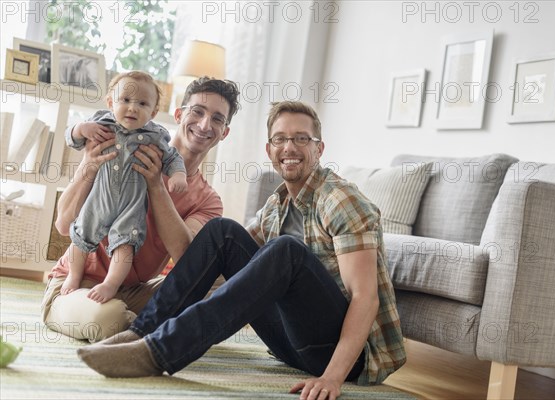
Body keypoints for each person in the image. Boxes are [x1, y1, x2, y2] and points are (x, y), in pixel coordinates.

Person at [77, 101, 407, 399]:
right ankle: (141, 332)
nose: (289, 147)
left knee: (285, 250)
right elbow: (231, 264)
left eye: (301, 139)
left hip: (347, 358)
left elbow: (365, 298)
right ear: (269, 149)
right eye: (280, 139)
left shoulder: (341, 200)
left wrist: (333, 378)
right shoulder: (278, 203)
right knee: (222, 231)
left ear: (319, 149)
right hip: (290, 346)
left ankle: (159, 351)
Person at [41, 77, 241, 342]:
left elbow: (187, 260)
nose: (205, 125)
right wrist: (88, 165)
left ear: (224, 132)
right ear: (179, 115)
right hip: (77, 286)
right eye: (198, 112)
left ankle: (148, 324)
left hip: (137, 291)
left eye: (217, 119)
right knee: (104, 319)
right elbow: (64, 225)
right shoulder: (123, 147)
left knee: (228, 284)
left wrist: (157, 186)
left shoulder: (208, 200)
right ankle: (155, 329)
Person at [62, 71, 188, 304]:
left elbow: (172, 158)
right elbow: (70, 137)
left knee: (125, 246)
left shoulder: (155, 136)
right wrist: (80, 128)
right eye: (125, 101)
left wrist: (179, 175)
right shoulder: (100, 123)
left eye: (142, 103)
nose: (132, 108)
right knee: (80, 236)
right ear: (111, 103)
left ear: (153, 112)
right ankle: (73, 275)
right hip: (99, 200)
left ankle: (111, 283)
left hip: (131, 207)